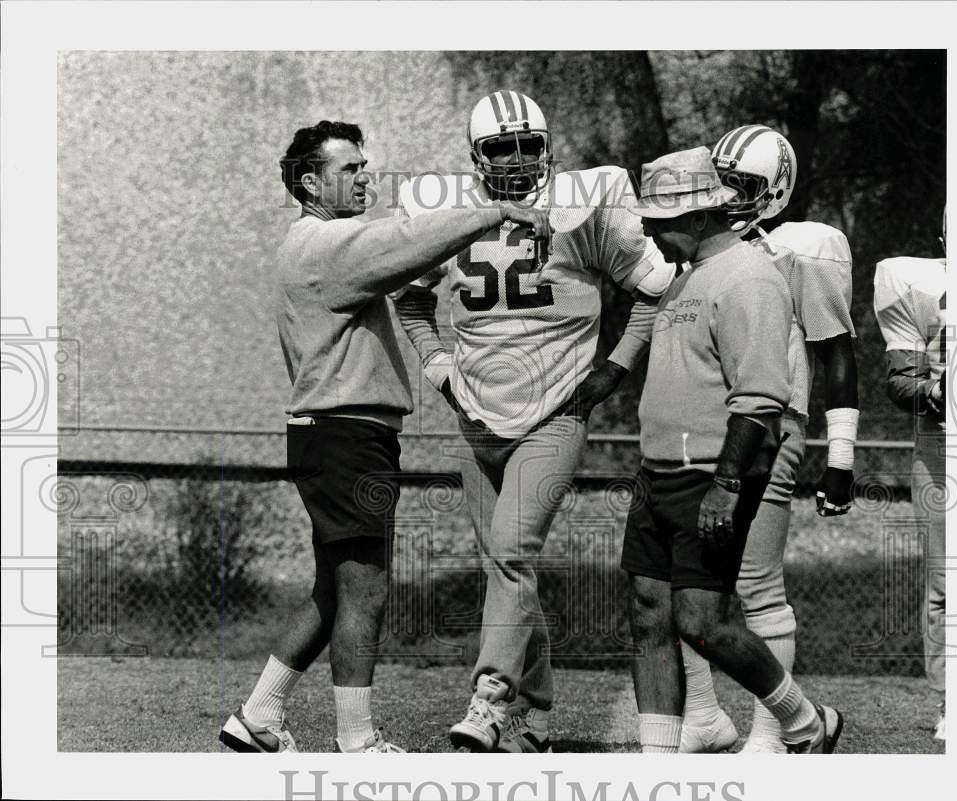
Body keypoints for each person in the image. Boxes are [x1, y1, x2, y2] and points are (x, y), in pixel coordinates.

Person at [218, 119, 550, 753]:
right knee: (365, 588)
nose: (365, 176)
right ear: (311, 183)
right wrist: (493, 210)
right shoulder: (326, 243)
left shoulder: (322, 243)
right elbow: (406, 241)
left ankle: (258, 716)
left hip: (335, 433)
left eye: (365, 166)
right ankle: (358, 742)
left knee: (332, 587)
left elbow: (404, 249)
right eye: (350, 169)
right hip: (346, 434)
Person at [392, 90, 672, 753]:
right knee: (506, 574)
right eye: (500, 148)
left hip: (554, 412)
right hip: (477, 414)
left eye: (527, 145)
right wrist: (440, 373)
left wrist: (614, 369)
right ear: (475, 156)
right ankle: (538, 717)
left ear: (546, 148)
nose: (517, 159)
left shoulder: (581, 211)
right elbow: (410, 302)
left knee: (514, 554)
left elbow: (654, 287)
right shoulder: (453, 213)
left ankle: (489, 701)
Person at [621, 145, 844, 755]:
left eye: (660, 222)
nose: (651, 234)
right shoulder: (684, 280)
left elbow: (761, 394)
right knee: (649, 613)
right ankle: (657, 762)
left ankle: (804, 724)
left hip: (711, 474)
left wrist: (726, 482)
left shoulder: (749, 277)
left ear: (697, 219)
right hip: (657, 470)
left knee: (703, 620)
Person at [673, 126, 861, 753]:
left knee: (754, 584)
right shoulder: (704, 245)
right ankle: (701, 716)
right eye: (720, 181)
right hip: (696, 426)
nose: (727, 195)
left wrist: (840, 456)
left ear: (776, 189)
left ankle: (776, 731)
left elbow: (835, 351)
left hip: (767, 425)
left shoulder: (803, 250)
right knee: (686, 581)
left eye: (742, 185)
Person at [873, 208, 947, 742]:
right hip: (945, 440)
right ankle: (954, 698)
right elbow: (902, 382)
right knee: (948, 581)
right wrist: (937, 391)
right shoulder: (918, 282)